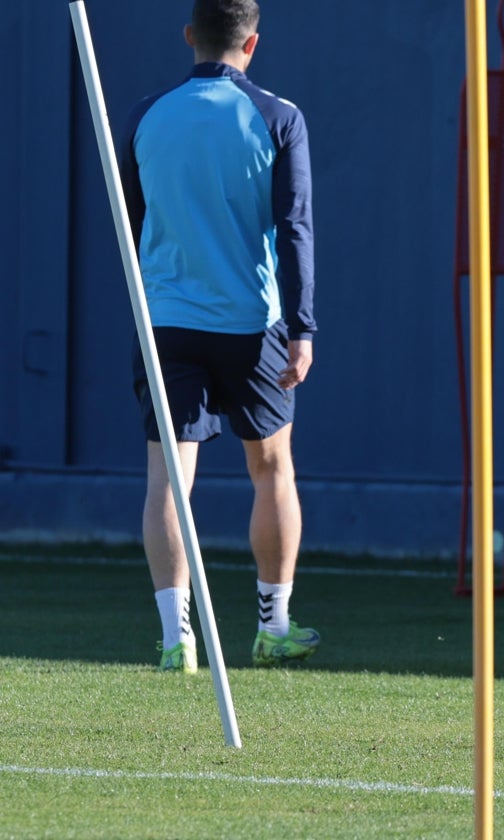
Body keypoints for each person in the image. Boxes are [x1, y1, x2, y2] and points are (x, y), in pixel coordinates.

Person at [118, 0, 320, 672]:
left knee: (168, 483)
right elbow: (294, 229)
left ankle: (177, 640)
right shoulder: (278, 117)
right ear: (252, 43)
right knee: (272, 470)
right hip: (249, 321)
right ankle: (273, 624)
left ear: (189, 37)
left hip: (167, 322)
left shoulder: (148, 115)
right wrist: (304, 326)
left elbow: (135, 223)